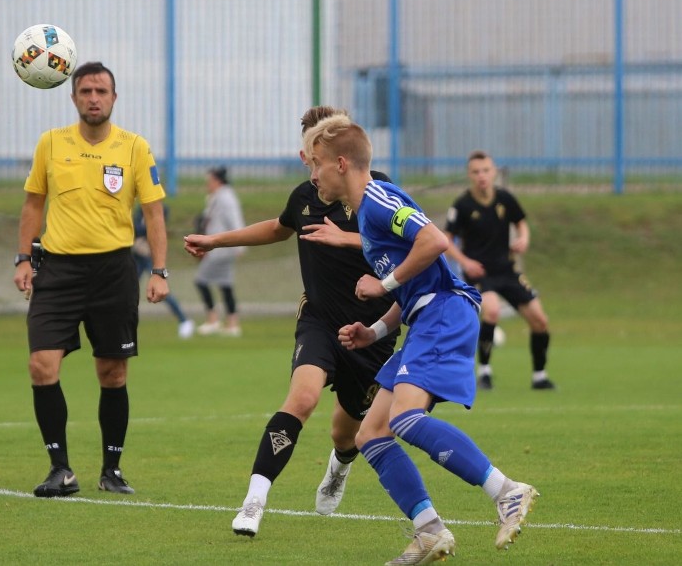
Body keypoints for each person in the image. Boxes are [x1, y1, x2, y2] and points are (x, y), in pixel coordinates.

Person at [303, 114, 539, 565]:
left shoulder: (376, 200)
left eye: (315, 164)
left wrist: (384, 283)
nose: (312, 176)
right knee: (371, 434)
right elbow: (415, 286)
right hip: (423, 315)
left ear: (339, 162)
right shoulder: (367, 215)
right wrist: (372, 330)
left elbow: (435, 240)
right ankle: (429, 530)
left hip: (446, 312)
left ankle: (506, 491)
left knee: (406, 419)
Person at [184, 106, 400, 538]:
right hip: (319, 321)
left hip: (373, 331)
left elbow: (412, 241)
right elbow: (279, 228)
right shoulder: (303, 197)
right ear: (309, 155)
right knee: (301, 400)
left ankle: (338, 468)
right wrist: (216, 241)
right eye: (313, 151)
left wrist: (347, 237)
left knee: (345, 433)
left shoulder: (380, 192)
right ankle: (254, 501)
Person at [12, 61, 170, 498]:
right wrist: (23, 258)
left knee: (112, 373)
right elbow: (32, 206)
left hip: (113, 272)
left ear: (114, 98)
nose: (94, 98)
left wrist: (158, 271)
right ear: (74, 98)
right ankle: (60, 469)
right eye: (86, 91)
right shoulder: (50, 144)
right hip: (57, 270)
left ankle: (112, 470)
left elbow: (153, 213)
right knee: (42, 365)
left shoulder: (135, 147)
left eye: (101, 91)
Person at [443, 151, 555, 390]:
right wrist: (465, 262)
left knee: (540, 321)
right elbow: (446, 240)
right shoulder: (462, 205)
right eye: (476, 172)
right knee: (491, 311)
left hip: (507, 270)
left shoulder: (505, 198)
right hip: (480, 273)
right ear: (469, 175)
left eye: (485, 171)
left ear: (493, 172)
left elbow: (521, 224)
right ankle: (484, 372)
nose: (481, 176)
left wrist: (523, 239)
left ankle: (539, 376)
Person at [192, 166, 246, 336]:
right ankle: (232, 323)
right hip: (220, 248)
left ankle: (213, 319)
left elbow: (235, 221)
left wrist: (240, 245)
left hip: (222, 249)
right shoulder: (218, 197)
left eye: (209, 181)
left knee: (201, 280)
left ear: (217, 180)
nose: (207, 184)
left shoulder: (225, 198)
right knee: (225, 284)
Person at [133, 205, 194, 339]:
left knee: (160, 289)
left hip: (151, 256)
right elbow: (136, 229)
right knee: (128, 290)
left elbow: (156, 228)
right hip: (137, 254)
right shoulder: (139, 209)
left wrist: (144, 230)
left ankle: (184, 321)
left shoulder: (162, 208)